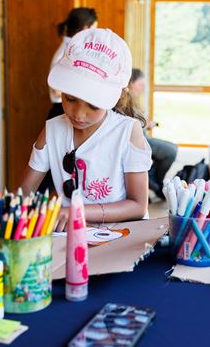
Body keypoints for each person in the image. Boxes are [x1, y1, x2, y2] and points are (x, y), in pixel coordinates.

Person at [21, 28, 152, 231]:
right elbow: (24, 193)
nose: (79, 114)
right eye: (70, 99)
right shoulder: (53, 129)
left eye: (93, 104)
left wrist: (77, 211)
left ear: (119, 97)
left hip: (120, 237)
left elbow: (138, 205)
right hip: (68, 236)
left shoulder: (127, 131)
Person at [127, 68, 178, 200]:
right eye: (140, 85)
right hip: (136, 139)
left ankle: (153, 179)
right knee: (170, 150)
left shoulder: (134, 99)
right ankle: (154, 181)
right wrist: (146, 124)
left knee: (172, 148)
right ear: (131, 82)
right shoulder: (126, 98)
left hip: (142, 135)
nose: (142, 89)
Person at [47, 7, 98, 120]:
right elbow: (56, 90)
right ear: (86, 29)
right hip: (62, 111)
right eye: (94, 29)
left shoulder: (76, 50)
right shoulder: (66, 53)